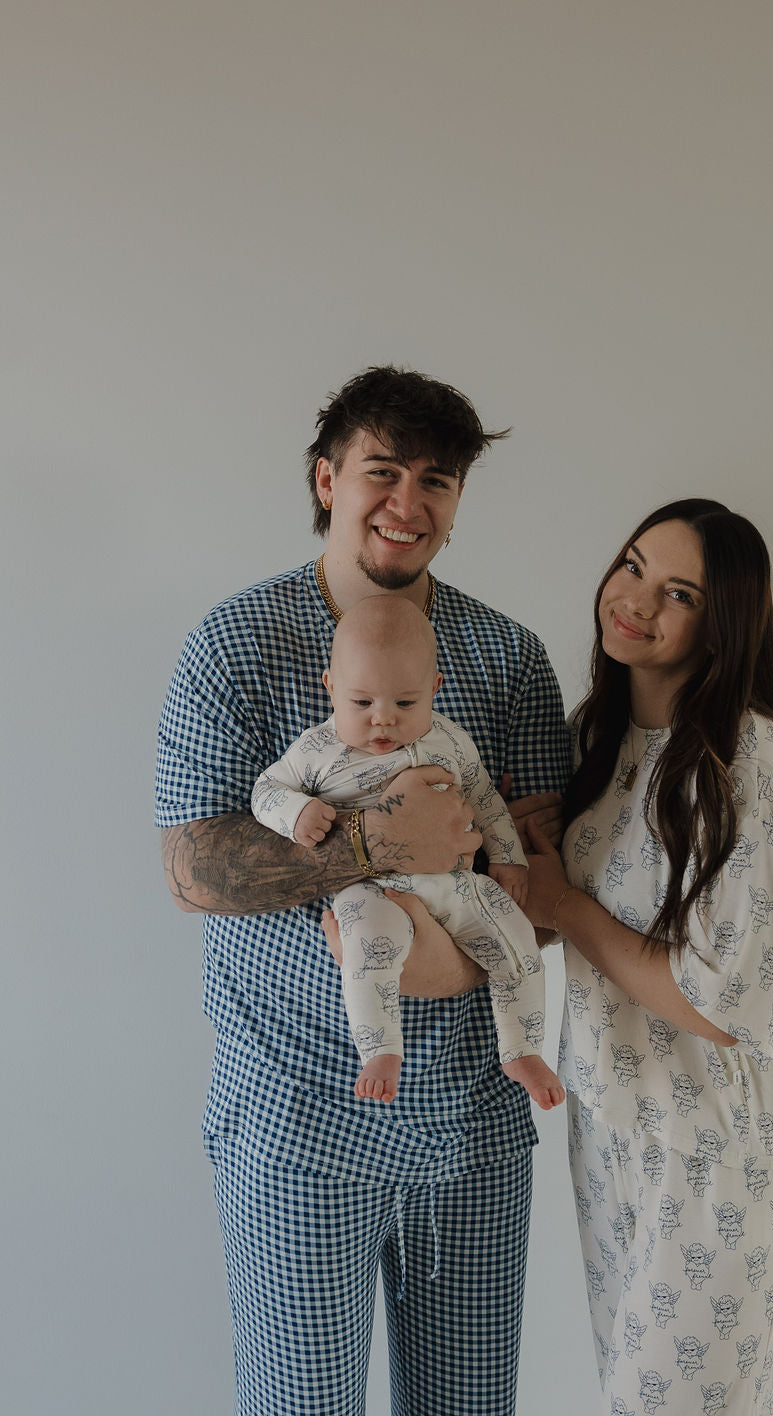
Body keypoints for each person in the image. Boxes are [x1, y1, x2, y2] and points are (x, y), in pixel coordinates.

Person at [155, 366, 571, 1416]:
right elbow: (193, 870)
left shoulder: (507, 658)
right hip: (298, 1115)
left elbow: (542, 875)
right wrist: (374, 849)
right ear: (327, 480)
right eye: (382, 469)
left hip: (474, 1121)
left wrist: (448, 953)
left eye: (437, 480)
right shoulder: (238, 645)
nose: (409, 501)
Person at [521, 499, 773, 1416]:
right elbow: (566, 923)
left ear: (721, 621)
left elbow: (725, 1004)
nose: (634, 600)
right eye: (631, 565)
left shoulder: (745, 759)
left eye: (678, 593)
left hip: (716, 1157)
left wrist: (566, 904)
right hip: (615, 1130)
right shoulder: (598, 739)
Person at [251, 595, 564, 1108]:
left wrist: (509, 858)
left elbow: (485, 800)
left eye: (404, 703)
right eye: (361, 703)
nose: (383, 721)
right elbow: (265, 790)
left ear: (435, 690)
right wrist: (295, 813)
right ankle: (379, 1049)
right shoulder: (317, 750)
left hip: (458, 884)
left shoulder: (452, 741)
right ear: (331, 687)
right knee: (367, 948)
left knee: (518, 943)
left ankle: (522, 1048)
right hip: (371, 889)